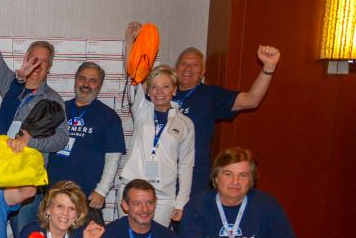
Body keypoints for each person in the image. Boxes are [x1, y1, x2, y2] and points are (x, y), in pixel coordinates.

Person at [126, 22, 281, 197]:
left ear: (203, 71)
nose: (188, 69)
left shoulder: (211, 95)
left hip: (194, 175)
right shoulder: (161, 91)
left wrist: (268, 67)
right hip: (155, 172)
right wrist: (131, 40)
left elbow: (251, 100)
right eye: (183, 64)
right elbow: (135, 74)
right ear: (176, 68)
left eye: (194, 65)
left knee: (188, 223)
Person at [0, 0, 69, 234]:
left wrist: (33, 142)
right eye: (34, 59)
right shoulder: (11, 83)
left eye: (44, 61)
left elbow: (61, 140)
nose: (38, 65)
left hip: (27, 183)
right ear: (26, 58)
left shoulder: (54, 99)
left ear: (50, 66)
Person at [45, 62, 126, 220]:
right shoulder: (58, 109)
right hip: (53, 194)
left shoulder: (109, 117)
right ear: (75, 80)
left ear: (100, 85)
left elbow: (113, 159)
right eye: (82, 78)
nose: (86, 84)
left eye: (92, 80)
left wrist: (101, 191)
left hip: (88, 198)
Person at [118, 62, 195, 226]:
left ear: (174, 90)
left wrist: (181, 202)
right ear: (148, 90)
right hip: (131, 189)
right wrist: (131, 40)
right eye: (154, 87)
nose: (159, 92)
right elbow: (133, 71)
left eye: (165, 86)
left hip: (162, 196)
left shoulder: (185, 123)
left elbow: (186, 165)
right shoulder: (141, 109)